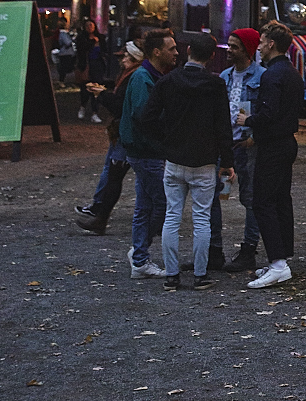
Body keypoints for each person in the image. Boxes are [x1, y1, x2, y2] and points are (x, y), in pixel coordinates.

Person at [136, 33, 235, 291]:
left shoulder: (168, 81)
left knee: (172, 216)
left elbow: (147, 118)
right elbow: (223, 125)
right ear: (211, 56)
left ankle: (172, 275)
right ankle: (200, 275)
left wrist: (165, 141)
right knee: (202, 219)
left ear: (188, 50)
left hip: (175, 159)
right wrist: (227, 159)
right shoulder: (215, 85)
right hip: (204, 160)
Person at [239, 23, 299, 288]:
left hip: (273, 145)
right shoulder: (291, 72)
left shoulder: (271, 75)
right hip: (286, 142)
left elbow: (268, 113)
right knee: (281, 200)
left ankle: (278, 263)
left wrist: (248, 120)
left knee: (263, 202)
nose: (259, 47)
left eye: (262, 42)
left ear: (271, 44)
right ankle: (281, 257)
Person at [118, 31, 177, 278]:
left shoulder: (146, 76)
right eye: (171, 49)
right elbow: (144, 116)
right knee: (161, 203)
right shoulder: (144, 78)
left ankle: (140, 258)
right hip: (146, 151)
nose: (176, 53)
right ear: (156, 51)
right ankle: (140, 254)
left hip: (142, 150)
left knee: (144, 205)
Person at [73, 41, 143, 234]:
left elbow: (120, 105)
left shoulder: (135, 75)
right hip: (124, 131)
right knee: (115, 173)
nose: (122, 60)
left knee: (116, 175)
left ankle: (100, 213)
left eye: (126, 56)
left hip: (127, 131)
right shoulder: (131, 74)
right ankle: (100, 211)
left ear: (135, 57)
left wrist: (103, 94)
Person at [219, 28, 264, 273]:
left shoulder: (261, 77)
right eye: (229, 45)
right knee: (217, 194)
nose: (229, 50)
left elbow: (265, 112)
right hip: (226, 145)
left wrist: (255, 136)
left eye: (234, 46)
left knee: (250, 197)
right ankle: (214, 248)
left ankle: (249, 249)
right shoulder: (224, 76)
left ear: (247, 50)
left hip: (247, 146)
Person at [76, 18, 103, 122]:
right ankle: (83, 107)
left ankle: (95, 113)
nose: (90, 27)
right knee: (85, 88)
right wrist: (92, 42)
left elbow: (104, 50)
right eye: (87, 26)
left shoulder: (100, 37)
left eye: (91, 25)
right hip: (86, 65)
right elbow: (82, 49)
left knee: (96, 89)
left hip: (97, 66)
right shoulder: (81, 38)